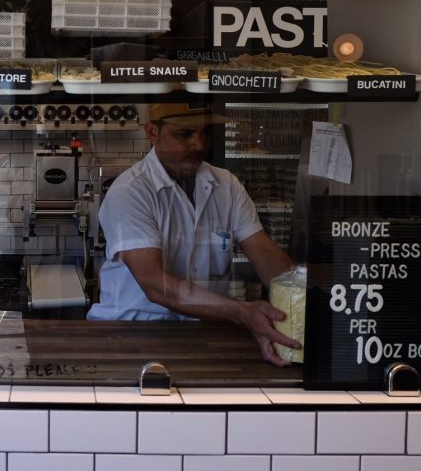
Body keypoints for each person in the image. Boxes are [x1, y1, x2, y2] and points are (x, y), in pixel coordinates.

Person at [87, 103, 301, 366]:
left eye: (205, 133)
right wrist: (242, 312)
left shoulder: (227, 185)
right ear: (153, 132)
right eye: (184, 134)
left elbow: (267, 257)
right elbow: (156, 286)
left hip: (205, 333)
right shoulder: (130, 191)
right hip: (131, 334)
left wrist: (300, 300)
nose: (198, 145)